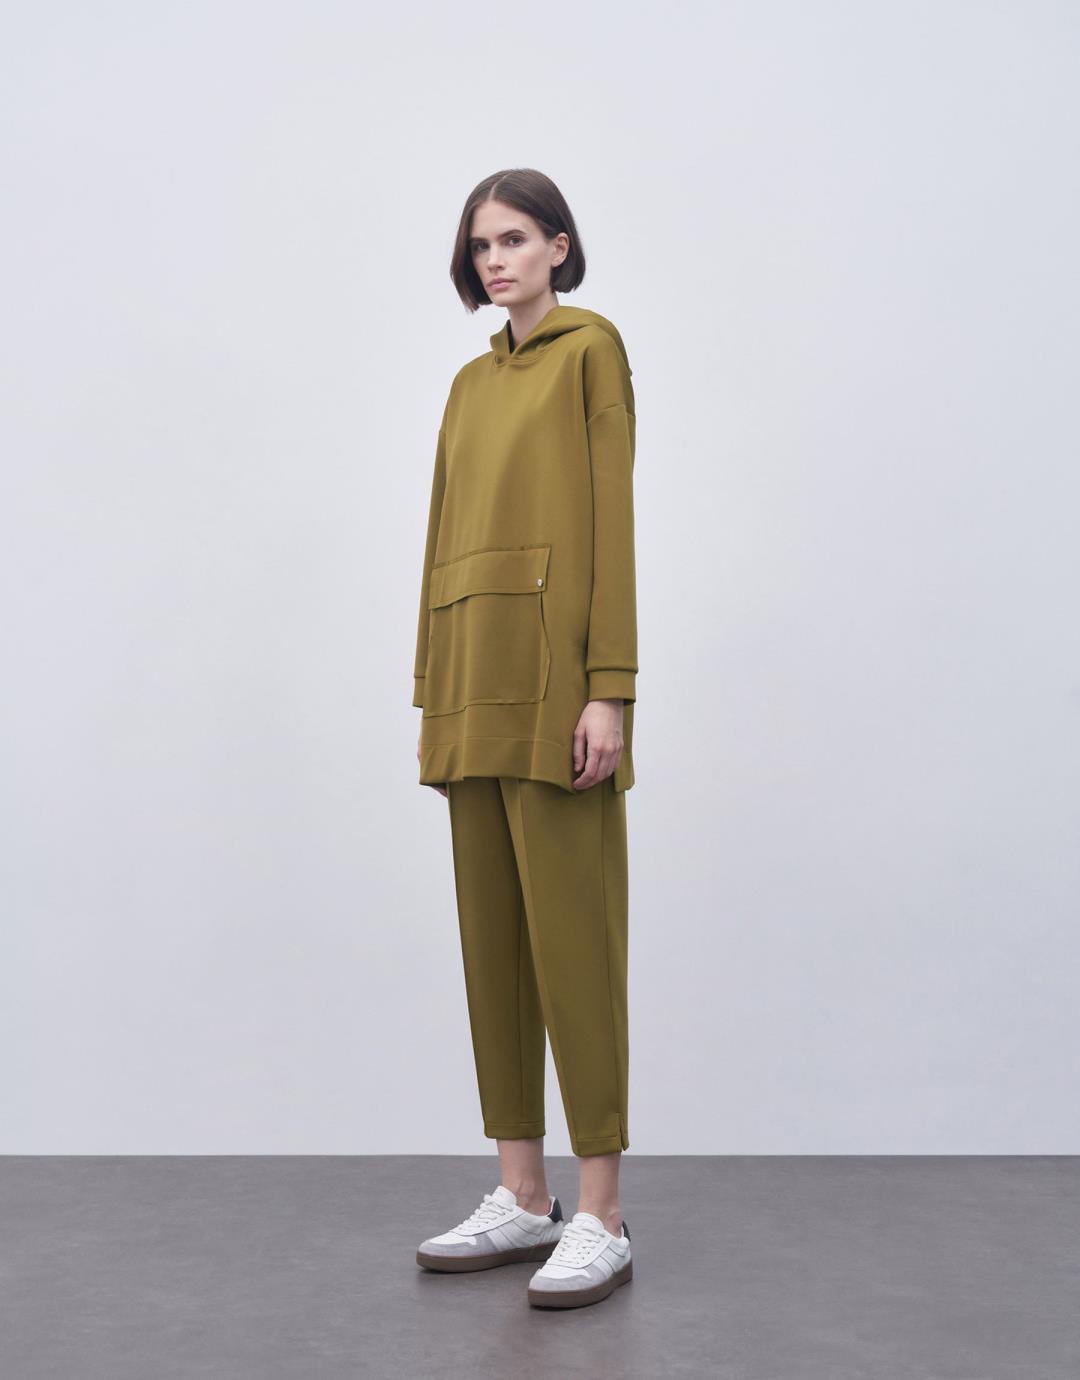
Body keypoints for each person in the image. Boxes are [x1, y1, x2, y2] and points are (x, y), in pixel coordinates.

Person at [411, 168, 638, 1310]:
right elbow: (441, 538)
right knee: (492, 947)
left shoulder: (591, 353)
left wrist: (611, 690)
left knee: (574, 946)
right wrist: (432, 688)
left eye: (513, 239)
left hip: (556, 692)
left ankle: (601, 1211)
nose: (495, 260)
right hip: (472, 683)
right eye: (480, 246)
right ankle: (522, 1193)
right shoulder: (466, 386)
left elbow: (612, 523)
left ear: (558, 244)